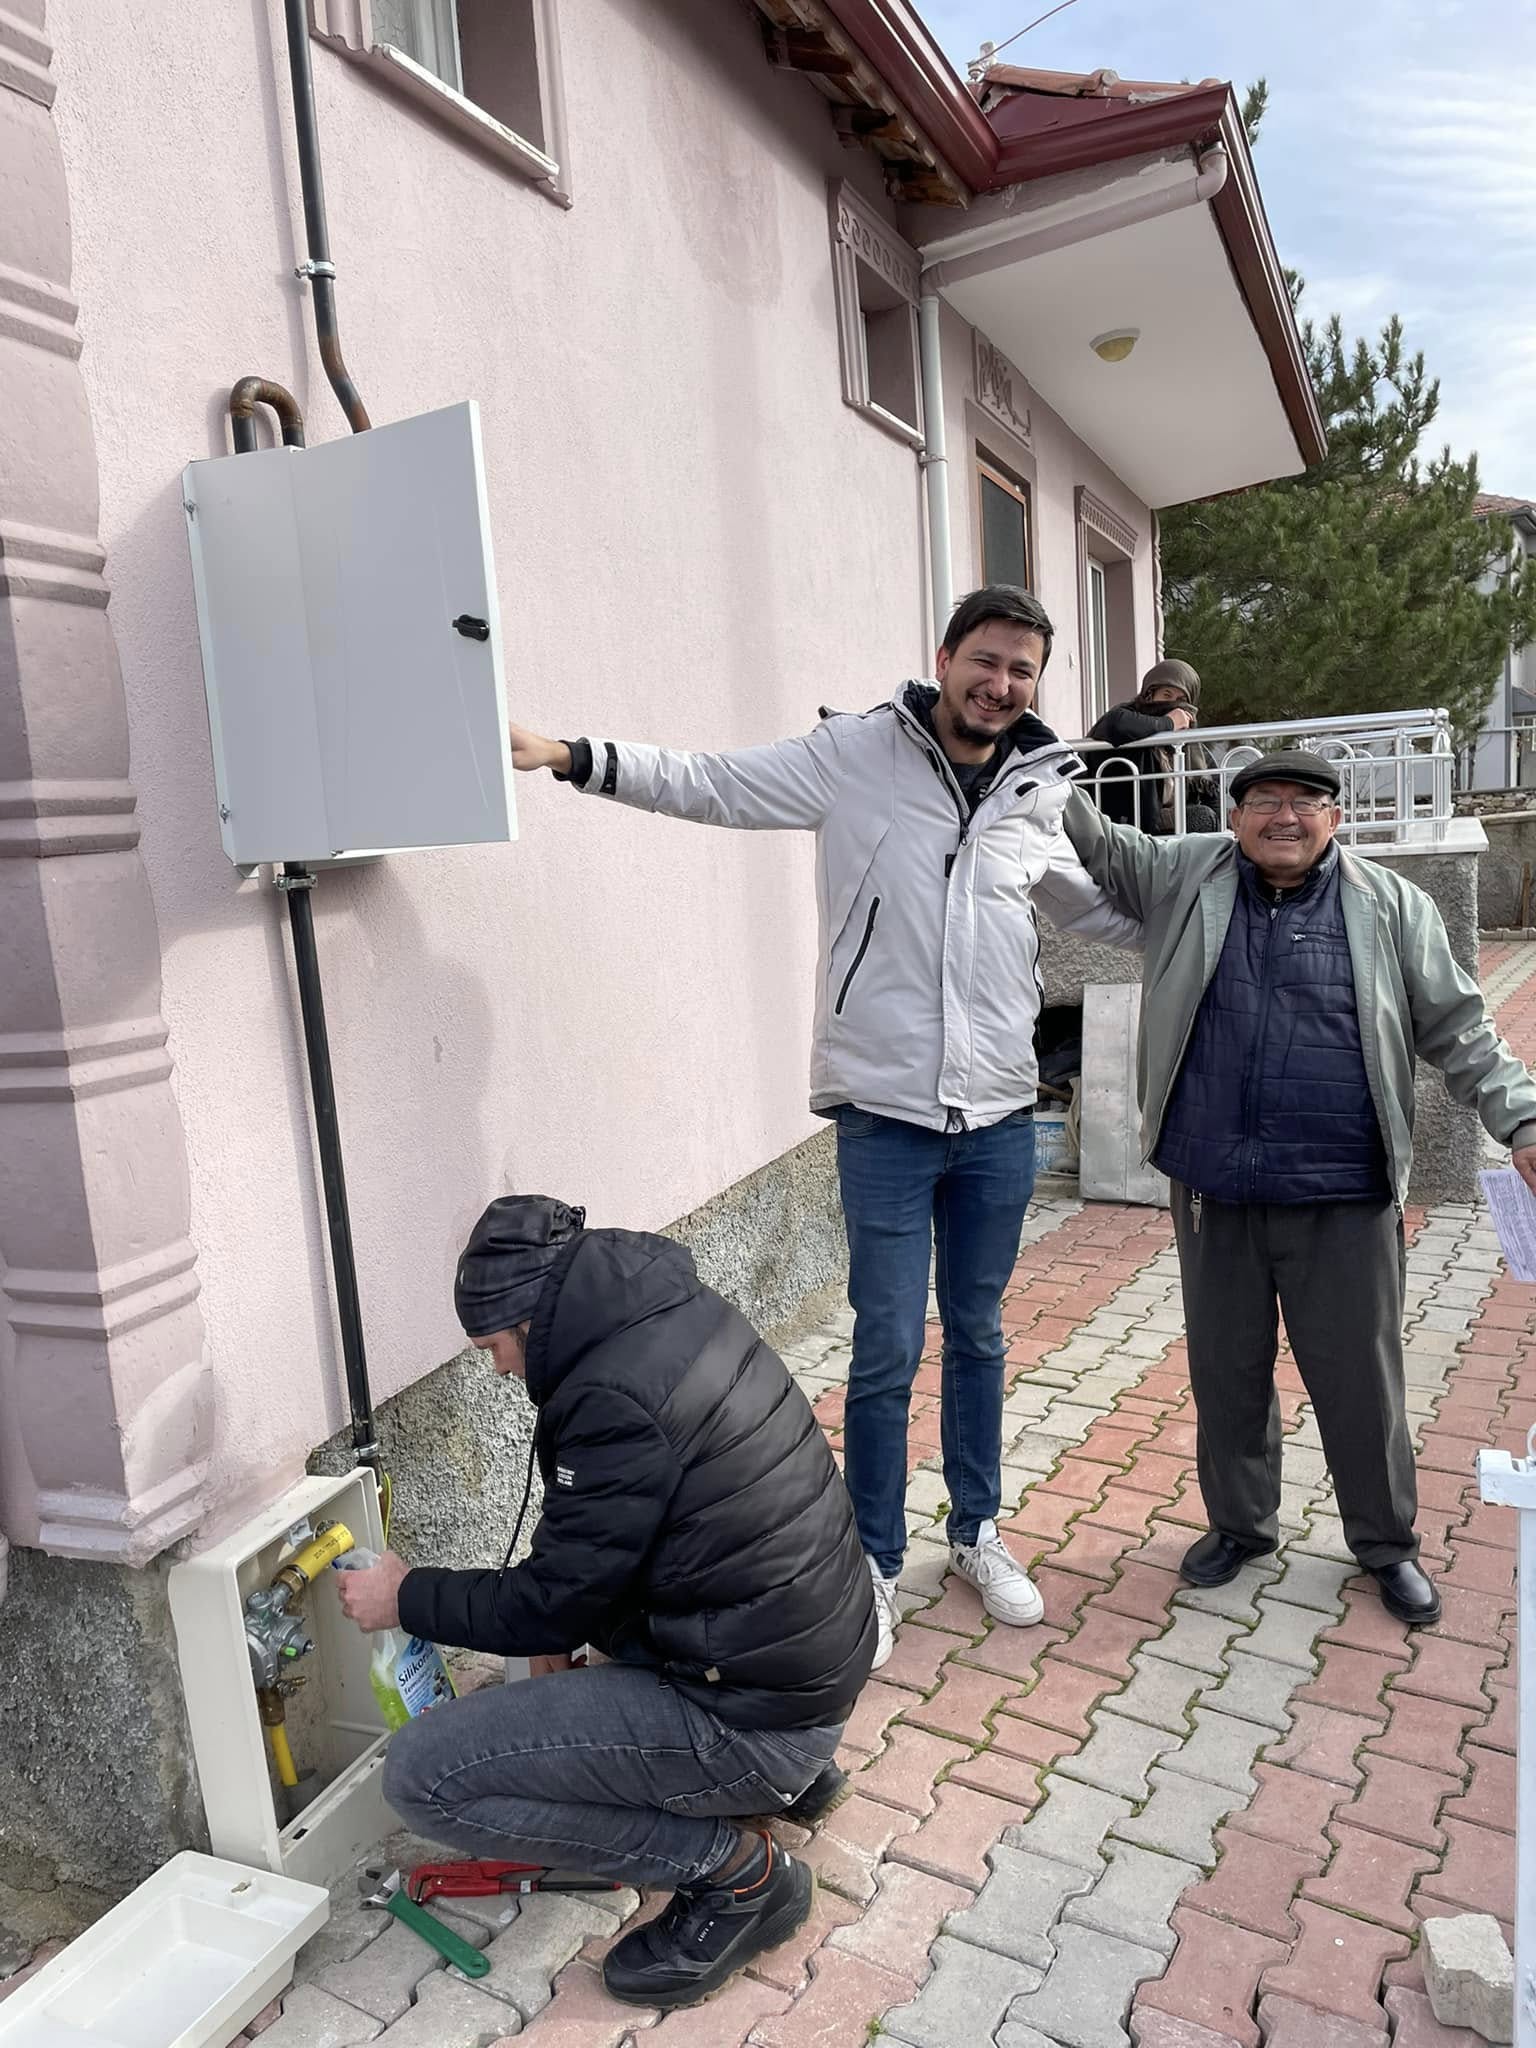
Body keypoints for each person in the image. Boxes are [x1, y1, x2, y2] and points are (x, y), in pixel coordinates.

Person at [505, 586, 1140, 1668]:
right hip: (885, 1115)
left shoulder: (1041, 786)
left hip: (995, 1114)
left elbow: (1101, 905)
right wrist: (569, 753)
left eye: (1023, 670)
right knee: (888, 1345)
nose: (1000, 684)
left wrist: (1247, 895)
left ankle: (978, 1532)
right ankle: (874, 1562)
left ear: (1039, 682)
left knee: (980, 1333)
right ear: (944, 657)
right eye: (984, 660)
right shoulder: (855, 755)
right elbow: (711, 783)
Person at [336, 1194, 876, 2011]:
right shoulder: (665, 1311)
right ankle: (788, 1783)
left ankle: (739, 1879)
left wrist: (406, 1597)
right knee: (557, 1657)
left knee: (424, 1778)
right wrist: (570, 1619)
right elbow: (629, 1547)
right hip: (803, 1665)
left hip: (762, 1716)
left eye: (494, 1349)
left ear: (529, 1320)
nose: (501, 1370)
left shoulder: (611, 1399)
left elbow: (542, 1607)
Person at [1063, 751, 1536, 1623]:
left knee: (1361, 1380)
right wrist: (1025, 755)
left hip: (1343, 1191)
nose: (1284, 816)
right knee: (1227, 1372)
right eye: (1264, 802)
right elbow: (1096, 840)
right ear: (1234, 820)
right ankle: (1242, 1526)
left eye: (1305, 802)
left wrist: (1523, 1120)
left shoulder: (1392, 905)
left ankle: (1385, 1543)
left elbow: (1462, 1028)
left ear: (1336, 818)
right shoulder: (1186, 876)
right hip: (1215, 1190)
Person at [1087, 658, 1220, 834]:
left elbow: (1211, 794)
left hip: (1174, 827)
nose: (1173, 705)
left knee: (1207, 817)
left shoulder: (1193, 747)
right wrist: (1168, 722)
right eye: (1166, 695)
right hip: (1133, 827)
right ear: (1150, 695)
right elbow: (1115, 724)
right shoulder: (1131, 721)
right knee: (1202, 816)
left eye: (1181, 699)